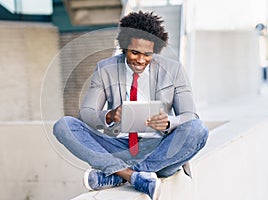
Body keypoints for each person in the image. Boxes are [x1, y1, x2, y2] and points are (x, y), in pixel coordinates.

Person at [53, 11, 208, 200]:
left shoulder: (174, 70)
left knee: (198, 130)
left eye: (147, 54)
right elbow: (86, 114)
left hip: (160, 150)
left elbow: (190, 116)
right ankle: (135, 177)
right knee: (64, 125)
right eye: (135, 52)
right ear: (124, 47)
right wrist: (109, 116)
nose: (141, 60)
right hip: (117, 148)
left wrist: (169, 122)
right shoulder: (105, 69)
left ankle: (120, 175)